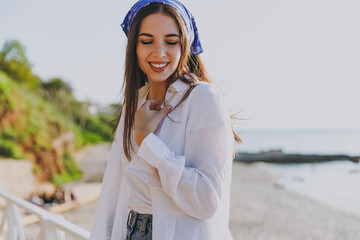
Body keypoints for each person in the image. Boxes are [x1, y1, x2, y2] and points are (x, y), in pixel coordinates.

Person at [89, 0, 240, 239]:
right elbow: (114, 192)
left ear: (186, 46)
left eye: (171, 42)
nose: (158, 52)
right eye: (146, 41)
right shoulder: (134, 103)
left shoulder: (203, 98)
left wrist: (147, 141)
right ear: (134, 47)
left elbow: (206, 200)